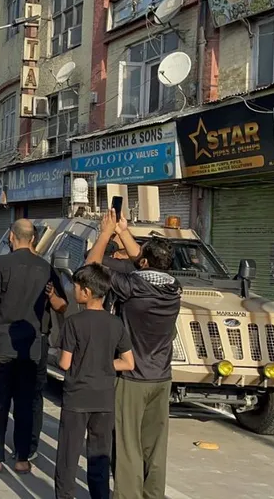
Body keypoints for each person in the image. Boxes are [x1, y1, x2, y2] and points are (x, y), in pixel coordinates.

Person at [86, 211, 181, 499]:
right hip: (161, 378)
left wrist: (106, 233)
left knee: (127, 446)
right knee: (154, 446)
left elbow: (90, 268)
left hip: (132, 377)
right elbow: (144, 259)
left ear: (142, 263)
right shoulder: (175, 288)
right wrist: (124, 231)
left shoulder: (132, 287)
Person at [0, 219, 66, 475]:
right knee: (25, 402)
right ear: (33, 238)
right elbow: (60, 303)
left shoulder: (1, 264)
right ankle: (22, 459)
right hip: (32, 346)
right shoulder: (45, 268)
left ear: (12, 237)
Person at [54, 264, 135, 499]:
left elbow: (65, 363)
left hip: (77, 397)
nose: (74, 290)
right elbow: (128, 362)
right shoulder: (115, 324)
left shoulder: (74, 323)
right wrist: (104, 364)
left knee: (68, 456)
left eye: (77, 286)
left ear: (87, 292)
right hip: (104, 398)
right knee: (99, 456)